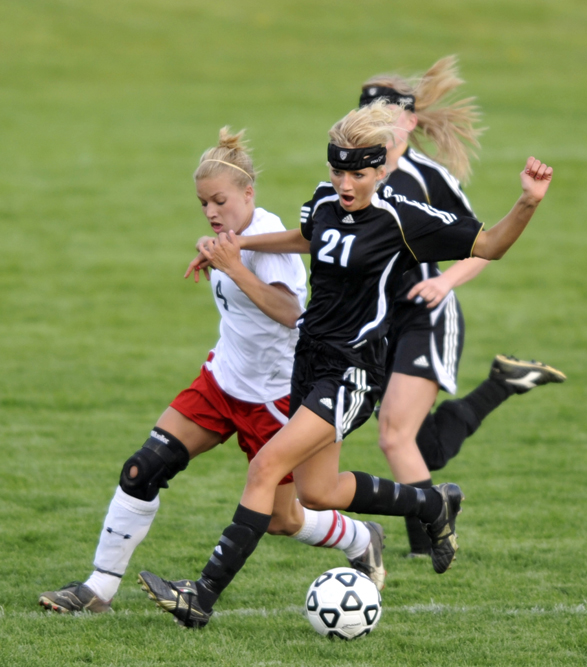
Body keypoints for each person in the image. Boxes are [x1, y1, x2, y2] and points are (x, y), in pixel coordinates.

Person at [137, 100, 554, 629]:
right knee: (317, 492)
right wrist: (236, 244)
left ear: (381, 169)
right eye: (338, 170)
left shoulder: (403, 219)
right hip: (309, 362)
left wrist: (528, 201)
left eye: (358, 173)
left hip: (353, 370)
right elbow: (310, 239)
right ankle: (432, 505)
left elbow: (490, 244)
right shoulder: (323, 201)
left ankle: (201, 596)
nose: (346, 183)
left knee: (267, 466)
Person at [38, 128, 387, 615]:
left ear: (249, 194)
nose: (210, 211)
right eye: (203, 203)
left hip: (276, 397)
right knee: (143, 469)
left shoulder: (271, 239)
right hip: (221, 382)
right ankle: (99, 588)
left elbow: (291, 312)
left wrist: (233, 264)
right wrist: (219, 253)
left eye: (219, 200)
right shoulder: (232, 239)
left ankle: (360, 535)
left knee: (283, 520)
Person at [358, 56, 566, 557]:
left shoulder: (426, 177)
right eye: (368, 115)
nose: (377, 126)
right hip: (381, 321)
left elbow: (485, 242)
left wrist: (445, 280)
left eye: (387, 116)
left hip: (428, 315)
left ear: (408, 120)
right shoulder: (358, 174)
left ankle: (425, 547)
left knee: (393, 437)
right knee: (419, 446)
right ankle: (501, 384)